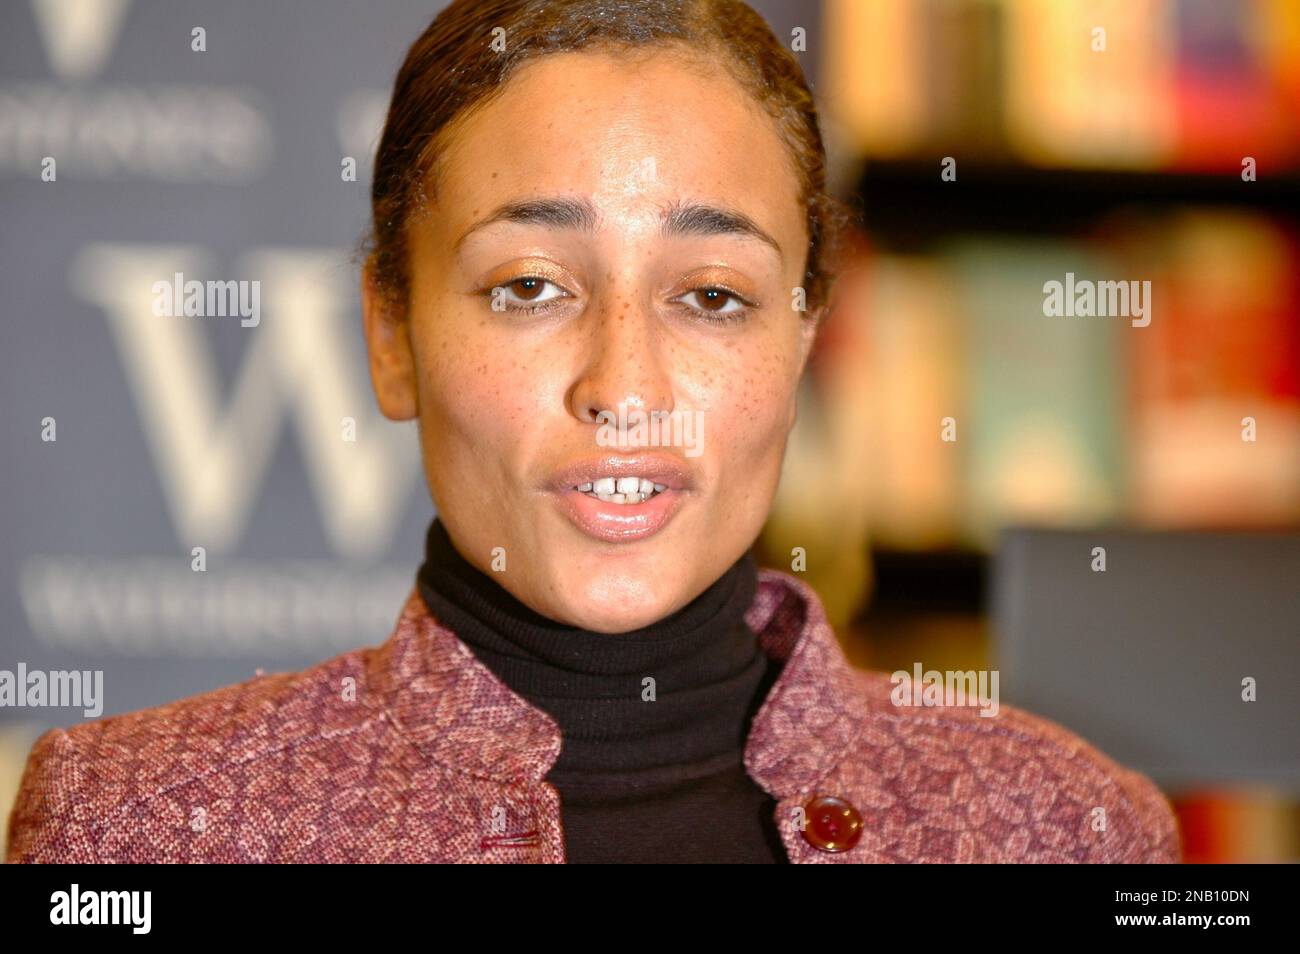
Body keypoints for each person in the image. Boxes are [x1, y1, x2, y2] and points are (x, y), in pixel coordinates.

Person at [5, 0, 1181, 863]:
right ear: (390, 336)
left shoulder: (1070, 826)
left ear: (804, 342)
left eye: (713, 295)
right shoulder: (132, 827)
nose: (626, 387)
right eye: (528, 286)